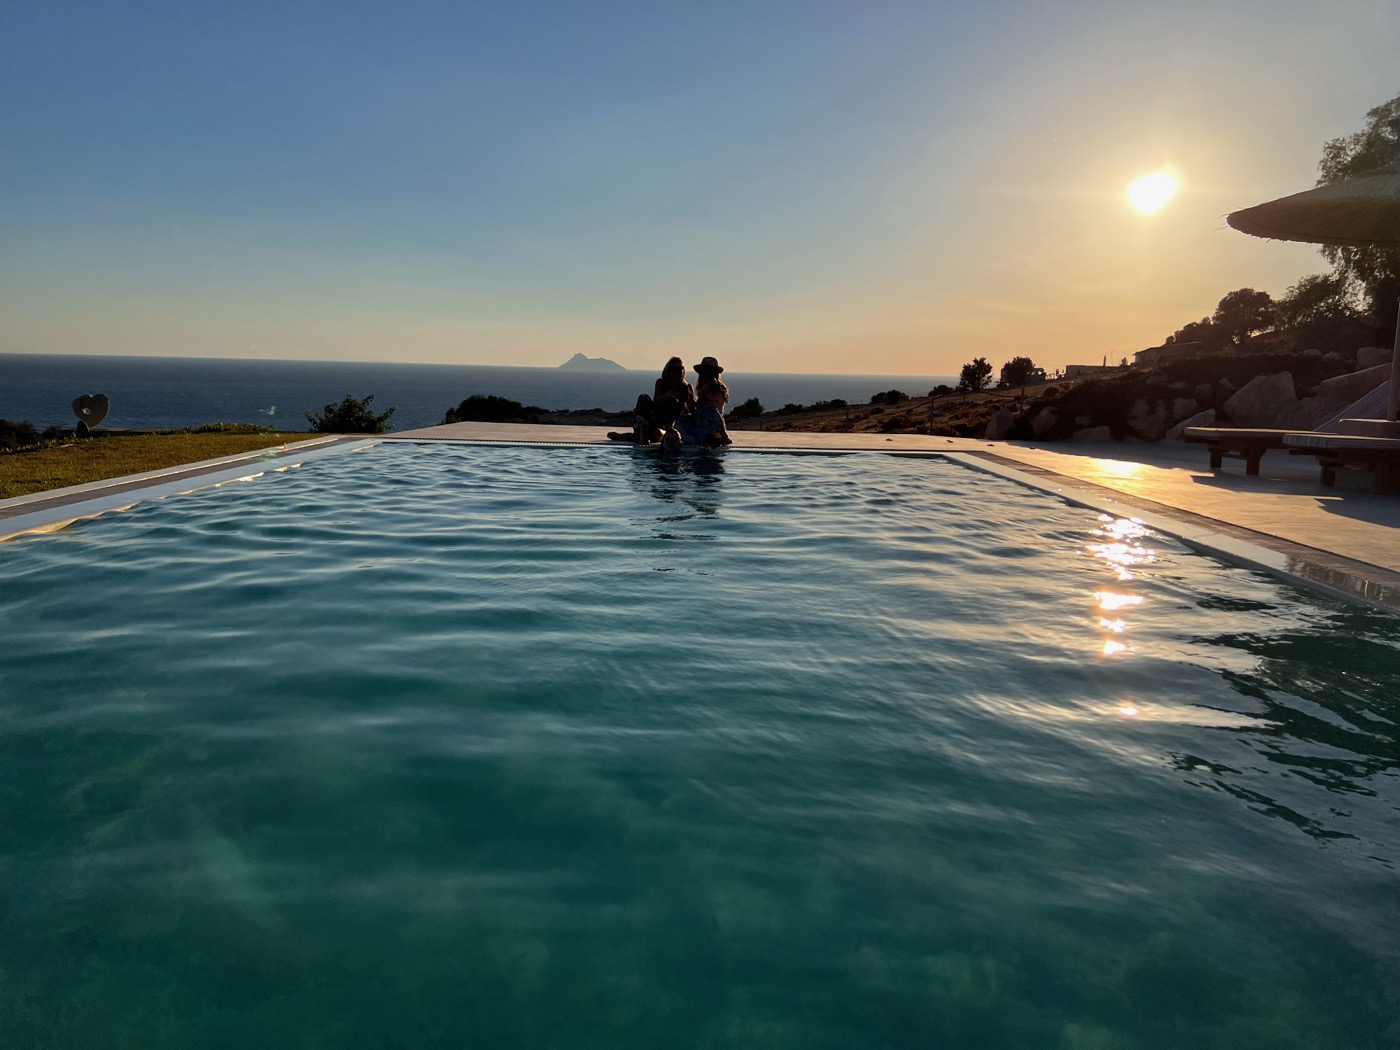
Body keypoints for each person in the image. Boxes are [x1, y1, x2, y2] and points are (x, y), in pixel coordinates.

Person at [608, 357, 696, 443]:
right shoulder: (661, 383)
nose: (677, 372)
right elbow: (656, 403)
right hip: (653, 420)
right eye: (673, 369)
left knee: (656, 434)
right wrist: (667, 395)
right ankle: (640, 433)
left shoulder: (687, 388)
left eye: (680, 368)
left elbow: (692, 412)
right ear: (668, 371)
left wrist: (686, 400)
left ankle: (632, 436)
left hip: (667, 427)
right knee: (643, 398)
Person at [677, 357, 733, 447]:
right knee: (682, 420)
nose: (705, 373)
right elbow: (696, 408)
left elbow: (704, 397)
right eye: (703, 371)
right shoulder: (702, 388)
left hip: (712, 425)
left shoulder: (719, 390)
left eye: (708, 371)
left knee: (708, 407)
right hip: (700, 422)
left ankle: (721, 435)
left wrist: (710, 382)